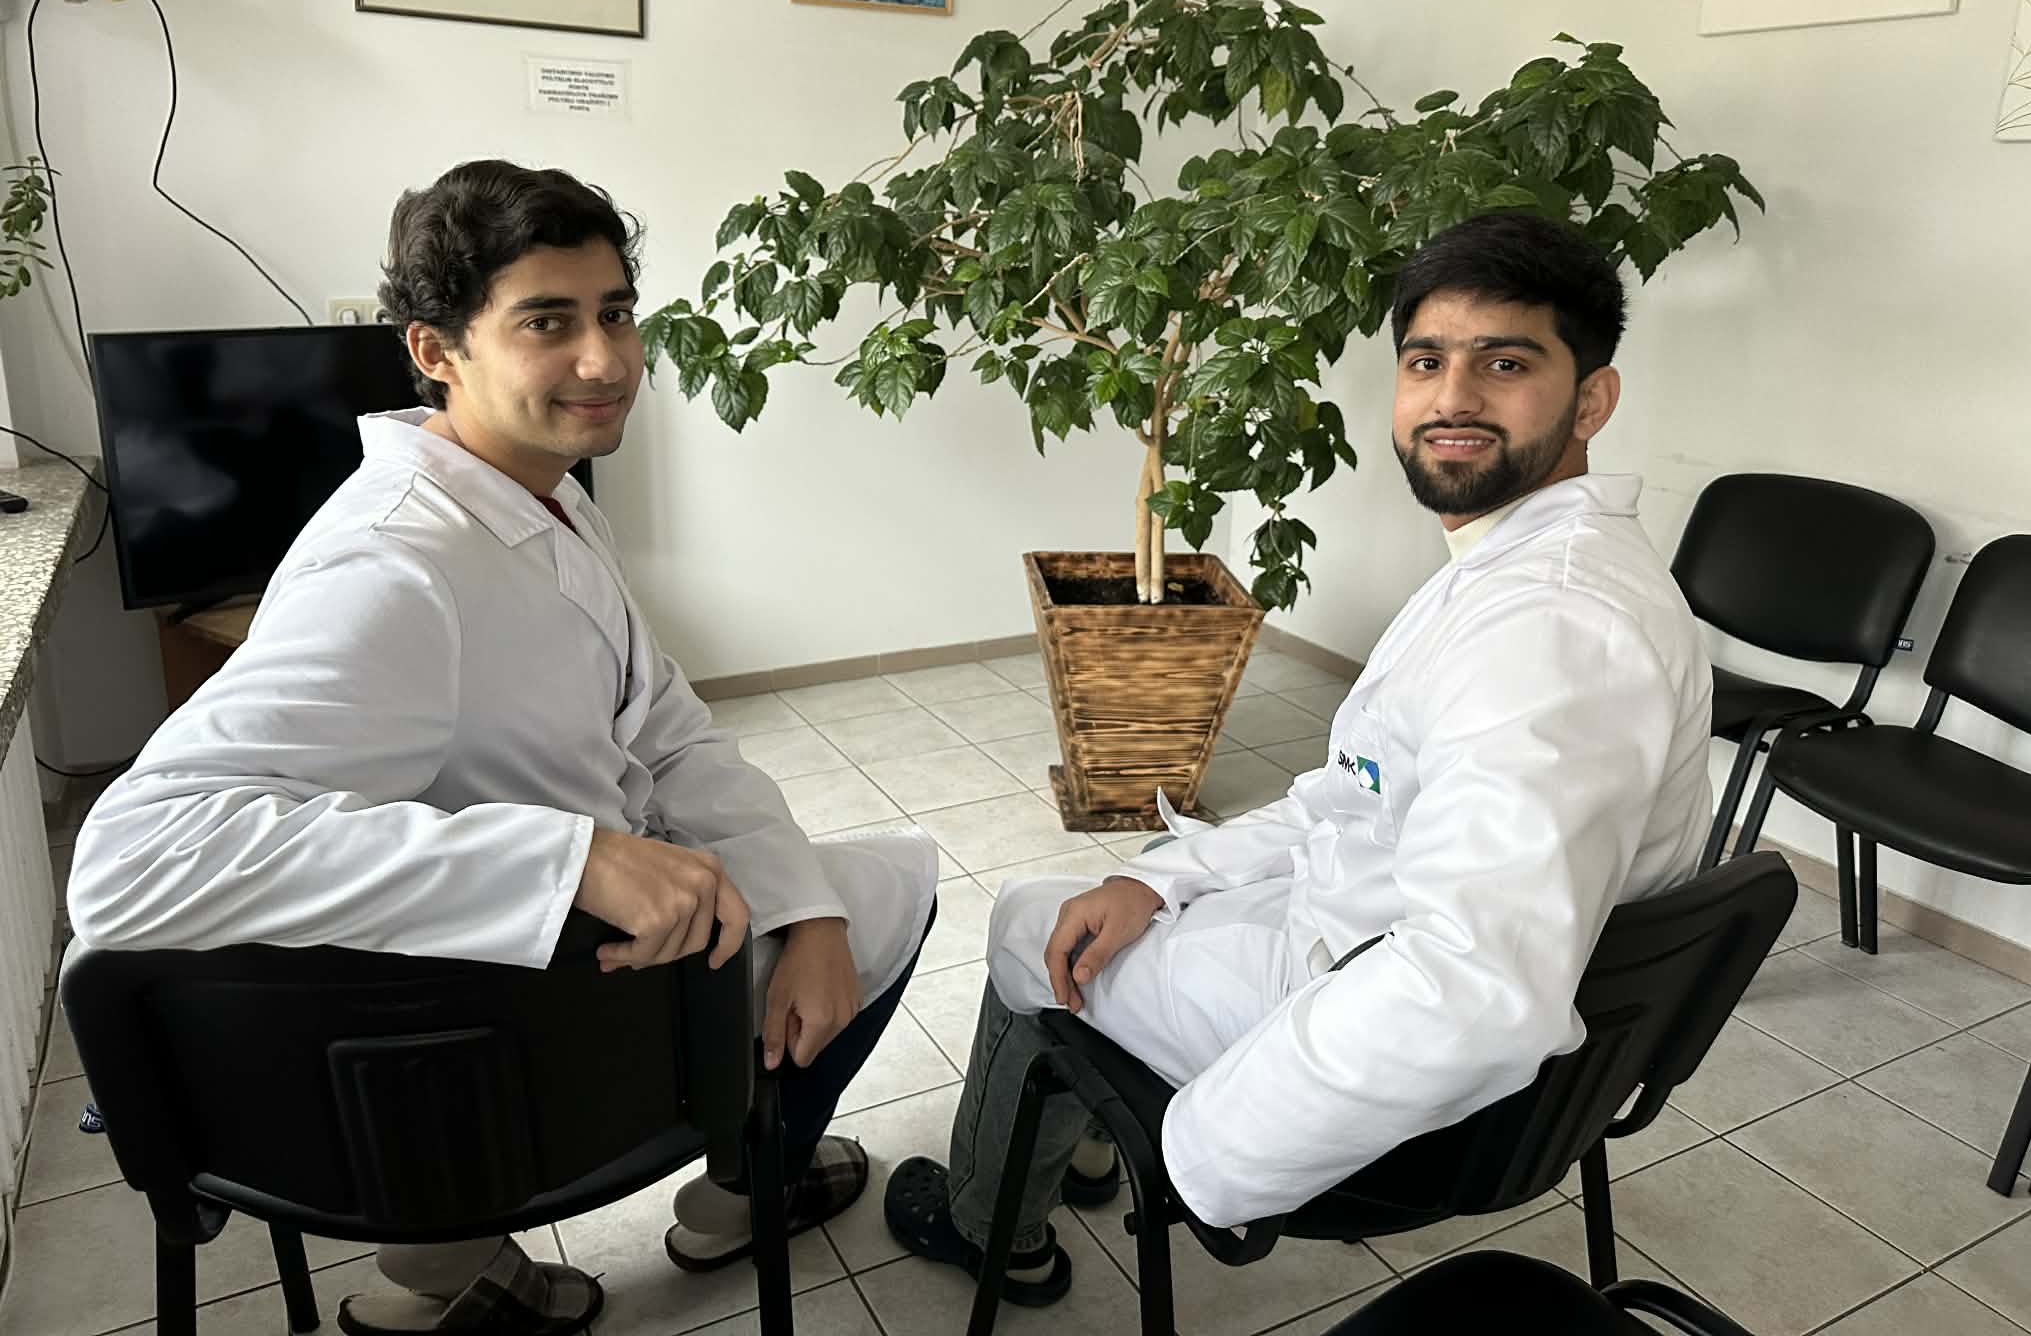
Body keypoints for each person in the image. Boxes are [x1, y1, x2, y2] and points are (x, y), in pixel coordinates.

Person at [68, 160, 939, 1336]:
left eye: (615, 313)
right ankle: (750, 1183)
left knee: (833, 903)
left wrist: (807, 911)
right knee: (905, 878)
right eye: (546, 322)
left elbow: (669, 728)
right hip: (545, 1032)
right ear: (435, 351)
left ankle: (455, 1268)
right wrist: (570, 858)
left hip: (494, 1029)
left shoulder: (546, 495)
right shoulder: (391, 566)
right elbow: (128, 861)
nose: (605, 360)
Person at [881, 210, 1714, 1304]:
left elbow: (1471, 989)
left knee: (1027, 923)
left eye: (1506, 363)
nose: (1454, 397)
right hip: (1372, 942)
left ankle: (997, 1227)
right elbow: (1349, 798)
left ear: (1591, 399)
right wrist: (1159, 878)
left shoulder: (1549, 630)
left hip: (1367, 1018)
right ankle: (1076, 1142)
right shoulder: (1526, 570)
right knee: (1131, 890)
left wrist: (1199, 1149)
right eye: (1426, 361)